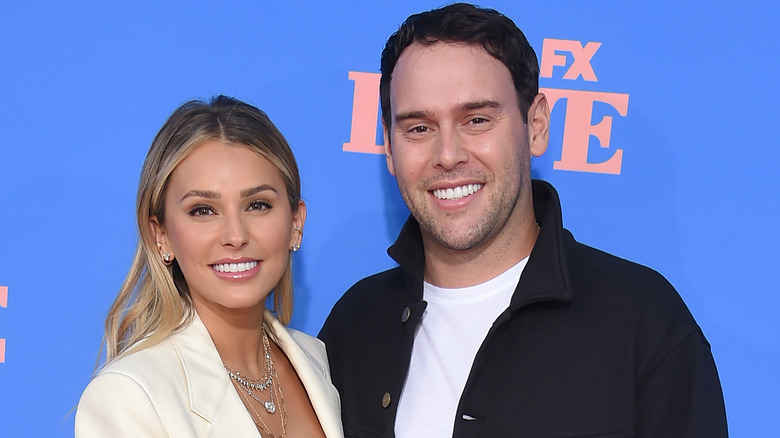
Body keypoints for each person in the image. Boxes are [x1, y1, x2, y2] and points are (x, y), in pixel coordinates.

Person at [318, 3, 728, 437]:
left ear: (536, 126)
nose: (448, 155)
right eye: (419, 128)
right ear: (389, 147)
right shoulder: (354, 326)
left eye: (476, 120)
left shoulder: (643, 322)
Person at [76, 96, 343, 437]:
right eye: (203, 210)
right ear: (162, 236)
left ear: (295, 223)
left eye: (258, 205)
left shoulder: (314, 360)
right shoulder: (129, 396)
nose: (235, 235)